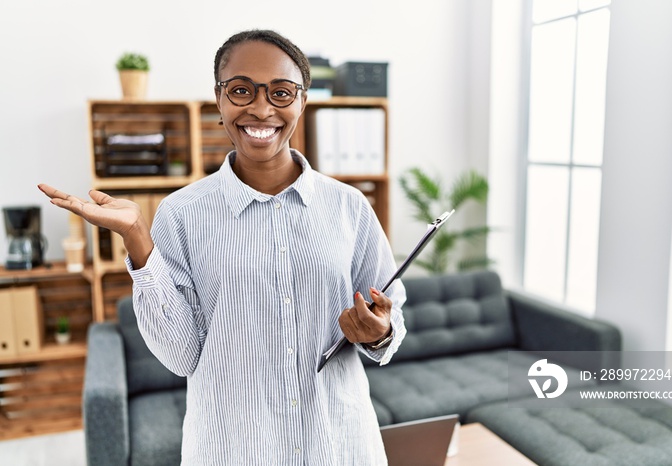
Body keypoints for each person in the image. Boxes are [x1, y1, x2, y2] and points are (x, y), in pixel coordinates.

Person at [39, 29, 406, 465]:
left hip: (337, 445)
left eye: (281, 93)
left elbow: (391, 313)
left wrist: (379, 332)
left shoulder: (349, 207)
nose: (261, 108)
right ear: (219, 99)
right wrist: (138, 239)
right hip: (232, 448)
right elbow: (181, 355)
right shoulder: (182, 214)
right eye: (241, 90)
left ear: (302, 102)